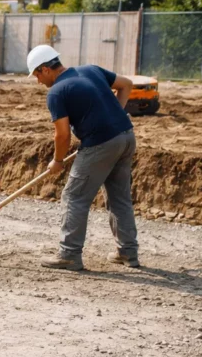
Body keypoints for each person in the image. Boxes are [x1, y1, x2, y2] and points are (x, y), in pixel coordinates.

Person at [27, 44, 139, 271]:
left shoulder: (57, 92)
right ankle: (128, 252)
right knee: (120, 198)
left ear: (45, 69)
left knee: (74, 196)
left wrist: (58, 161)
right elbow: (126, 85)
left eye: (37, 75)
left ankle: (69, 254)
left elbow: (62, 134)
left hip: (101, 144)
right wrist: (114, 116)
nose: (38, 81)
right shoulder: (91, 70)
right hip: (126, 137)